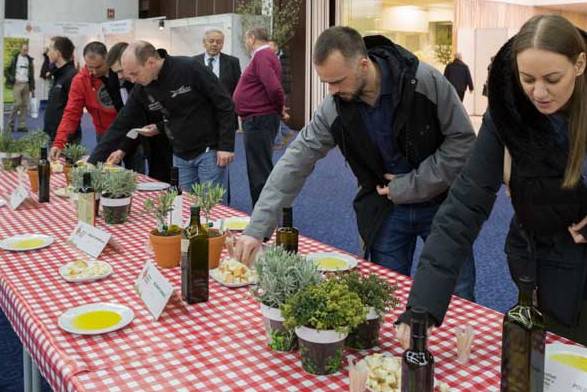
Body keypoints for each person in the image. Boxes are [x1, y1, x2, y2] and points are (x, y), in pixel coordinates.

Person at [234, 26, 477, 300]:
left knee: (457, 295)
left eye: (338, 81)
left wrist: (412, 185)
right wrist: (257, 229)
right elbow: (295, 161)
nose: (333, 91)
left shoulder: (424, 81)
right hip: (384, 210)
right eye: (326, 83)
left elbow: (463, 142)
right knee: (386, 297)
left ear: (363, 64)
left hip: (443, 204)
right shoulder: (335, 106)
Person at [396, 15, 587, 346]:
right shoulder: (508, 113)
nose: (539, 92)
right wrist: (423, 306)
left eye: (552, 79)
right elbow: (464, 204)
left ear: (580, 64)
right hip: (546, 268)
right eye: (527, 79)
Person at [88, 41, 236, 189]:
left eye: (135, 73)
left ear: (151, 62)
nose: (132, 80)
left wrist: (226, 146)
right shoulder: (142, 88)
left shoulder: (189, 67)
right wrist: (91, 164)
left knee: (210, 204)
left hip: (209, 150)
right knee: (185, 202)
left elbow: (224, 104)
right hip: (180, 153)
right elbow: (121, 123)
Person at [89, 43, 173, 182]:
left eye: (122, 71)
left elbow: (176, 115)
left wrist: (159, 127)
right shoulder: (117, 82)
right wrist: (123, 148)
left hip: (170, 139)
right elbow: (125, 120)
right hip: (147, 138)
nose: (120, 76)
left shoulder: (146, 79)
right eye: (116, 72)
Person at [233, 27, 287, 207]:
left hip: (259, 119)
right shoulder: (264, 55)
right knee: (259, 168)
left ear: (251, 37)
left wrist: (279, 110)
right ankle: (264, 214)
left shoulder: (262, 55)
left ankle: (262, 216)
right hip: (259, 118)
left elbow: (274, 88)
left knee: (259, 171)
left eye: (246, 39)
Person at [49, 42, 118, 161]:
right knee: (105, 171)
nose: (94, 72)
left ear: (107, 59)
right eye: (90, 67)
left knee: (138, 174)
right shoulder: (80, 81)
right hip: (103, 134)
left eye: (98, 67)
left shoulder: (120, 75)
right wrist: (59, 142)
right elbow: (71, 113)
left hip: (127, 132)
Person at [43, 36, 82, 145]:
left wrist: (64, 136)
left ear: (58, 53)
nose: (47, 53)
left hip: (66, 137)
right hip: (53, 134)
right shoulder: (57, 74)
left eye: (50, 49)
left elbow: (74, 111)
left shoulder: (72, 76)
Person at [194, 29, 241, 98]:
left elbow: (238, 87)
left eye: (219, 42)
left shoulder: (233, 62)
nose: (215, 44)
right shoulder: (194, 62)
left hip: (225, 105)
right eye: (211, 41)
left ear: (222, 44)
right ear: (204, 43)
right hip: (200, 106)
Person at [268, 39, 295, 150]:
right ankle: (286, 132)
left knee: (275, 114)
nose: (267, 49)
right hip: (274, 89)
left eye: (269, 47)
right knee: (274, 114)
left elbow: (283, 76)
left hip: (281, 90)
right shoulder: (271, 58)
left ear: (276, 47)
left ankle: (278, 141)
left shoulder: (283, 58)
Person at [5, 44, 35, 132]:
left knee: (24, 106)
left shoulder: (29, 60)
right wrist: (12, 78)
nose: (26, 51)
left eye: (27, 50)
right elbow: (6, 70)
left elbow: (31, 75)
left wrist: (32, 87)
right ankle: (10, 124)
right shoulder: (14, 58)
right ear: (20, 49)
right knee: (17, 103)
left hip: (26, 84)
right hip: (17, 84)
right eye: (24, 50)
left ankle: (22, 125)